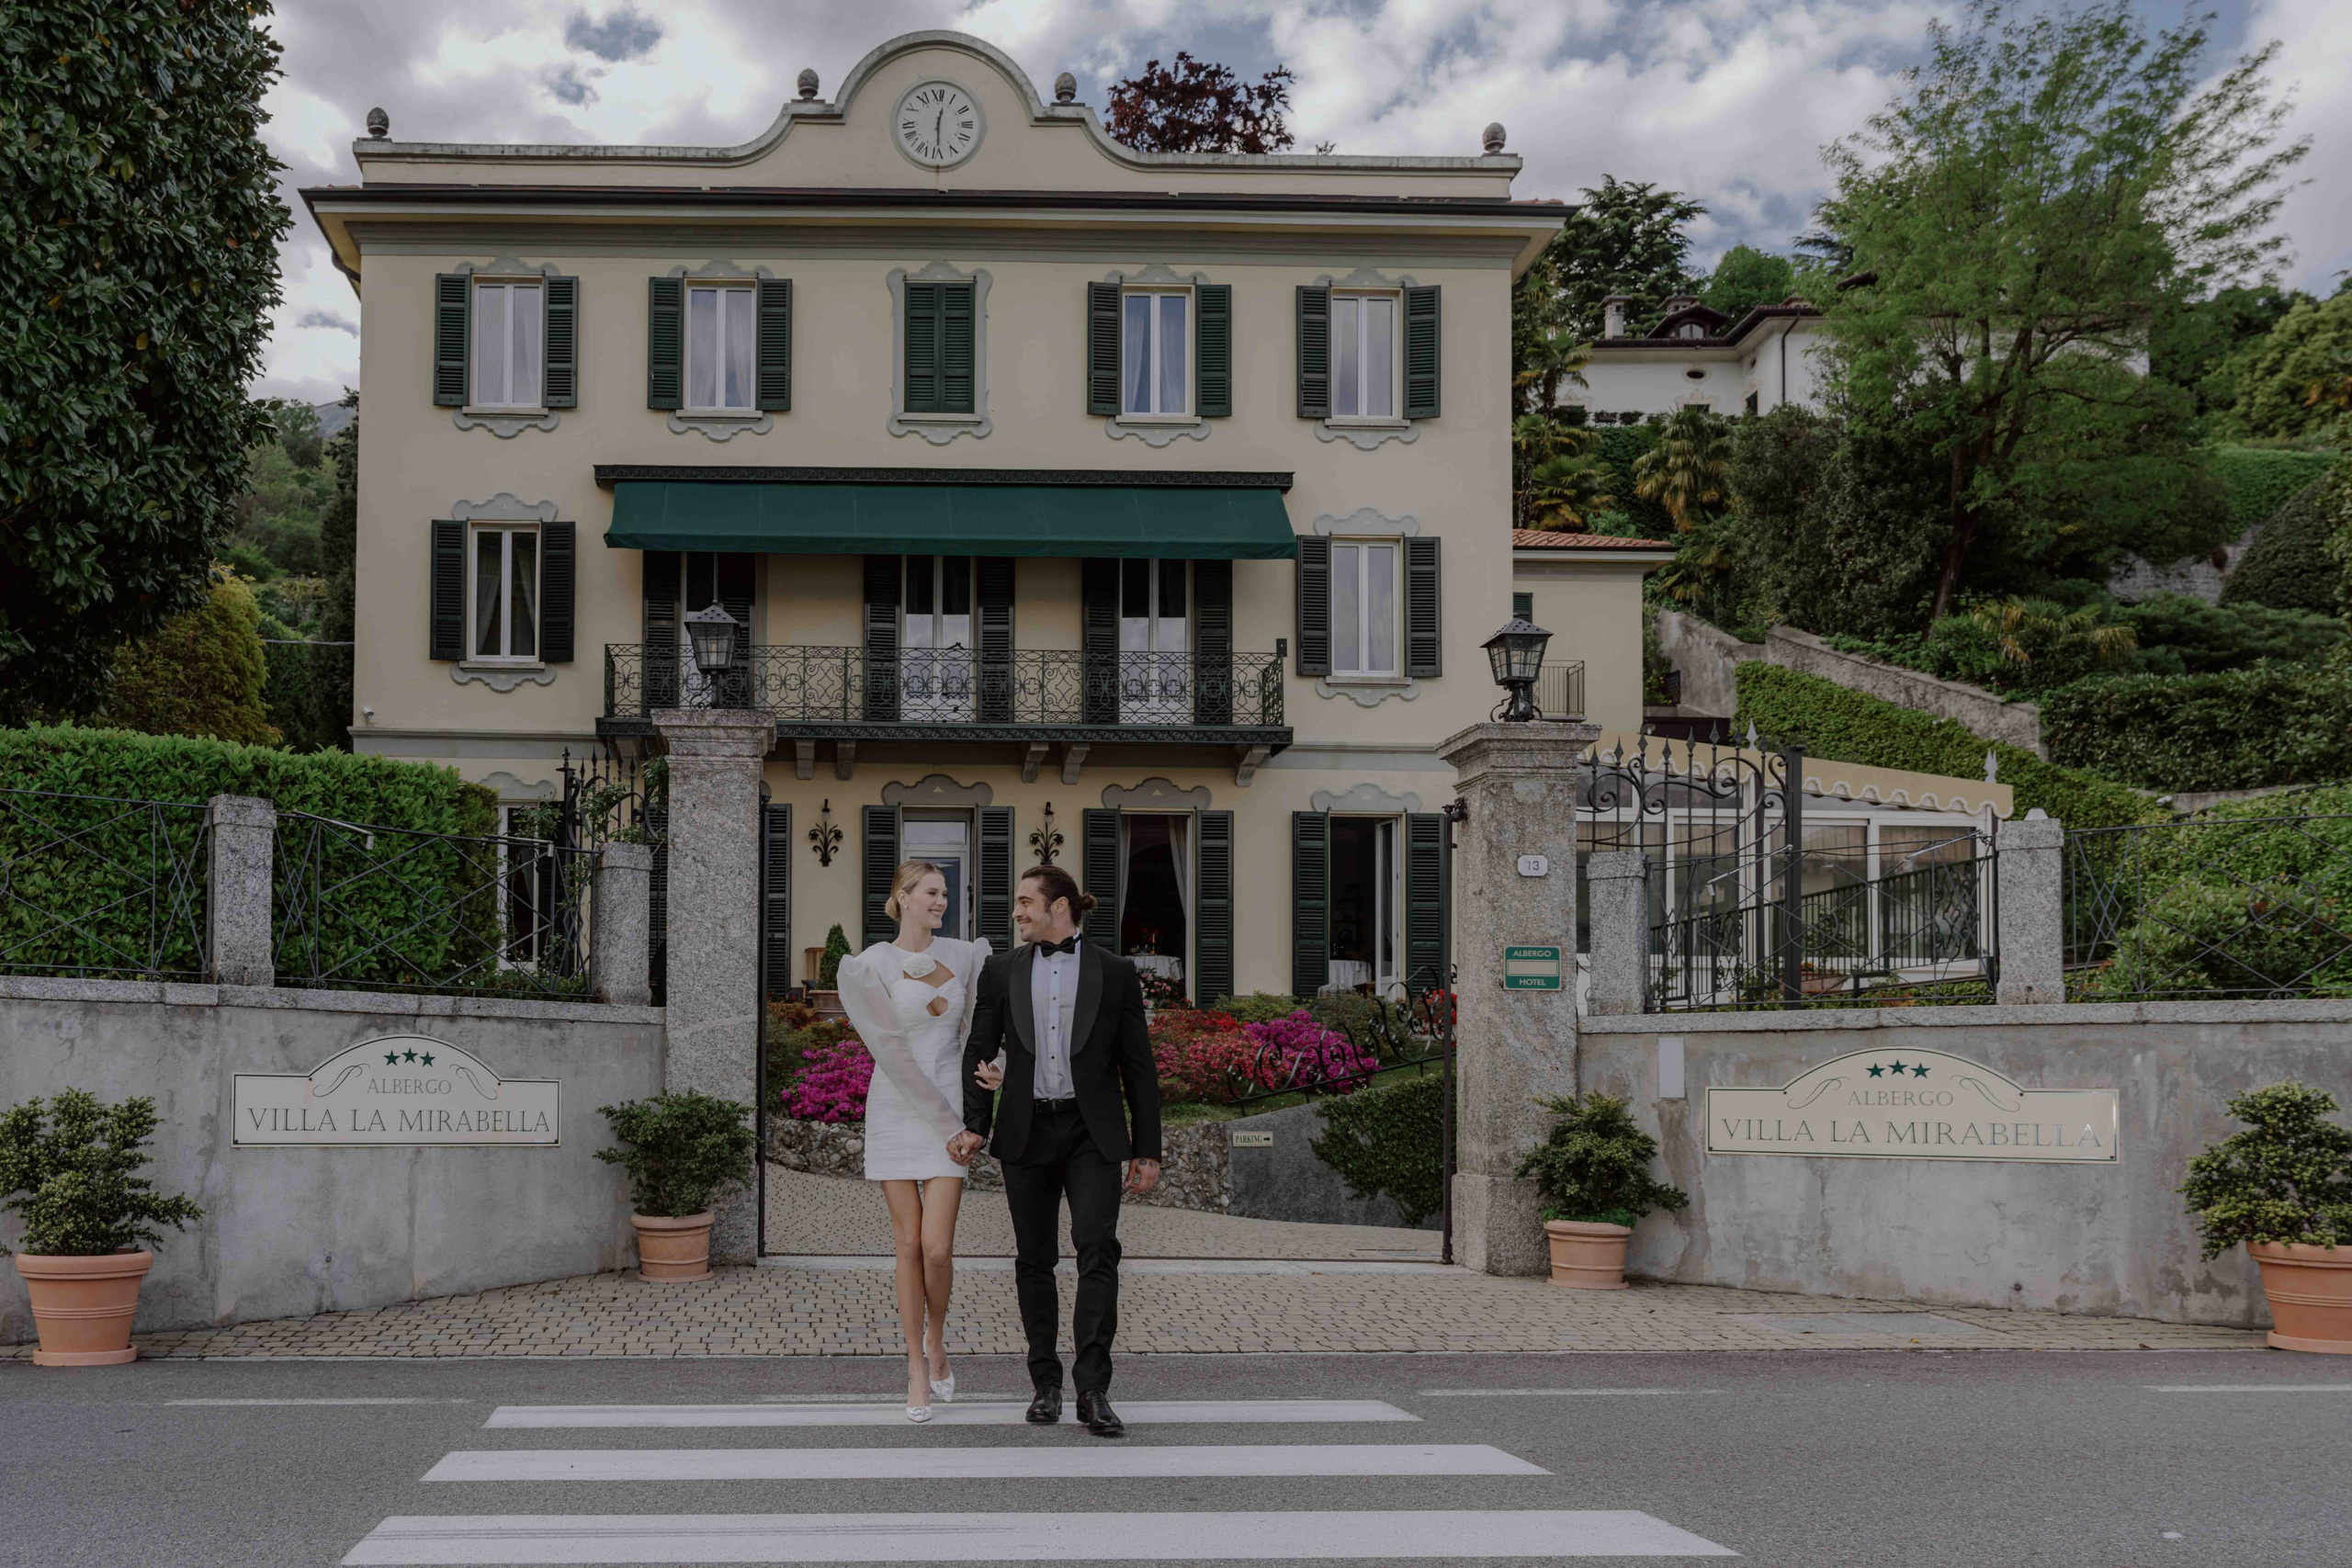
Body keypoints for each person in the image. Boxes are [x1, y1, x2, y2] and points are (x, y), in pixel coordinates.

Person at [950, 863, 1160, 1438]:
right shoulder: (999, 970)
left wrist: (1147, 1149)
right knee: (1034, 1260)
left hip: (1093, 1133)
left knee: (1098, 1252)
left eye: (1025, 902)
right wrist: (977, 1123)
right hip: (1026, 1131)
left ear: (1059, 906)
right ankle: (1045, 1383)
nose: (1016, 911)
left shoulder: (1115, 973)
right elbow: (979, 1050)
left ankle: (1093, 1390)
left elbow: (1138, 1067)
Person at [833, 861, 989, 1423]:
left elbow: (980, 1034)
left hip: (954, 1109)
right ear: (902, 898)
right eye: (930, 892)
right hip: (899, 1110)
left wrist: (988, 1085)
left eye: (945, 893)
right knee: (906, 1247)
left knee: (937, 1249)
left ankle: (938, 1340)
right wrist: (947, 1124)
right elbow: (890, 1051)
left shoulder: (970, 956)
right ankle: (915, 1368)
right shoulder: (869, 964)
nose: (941, 901)